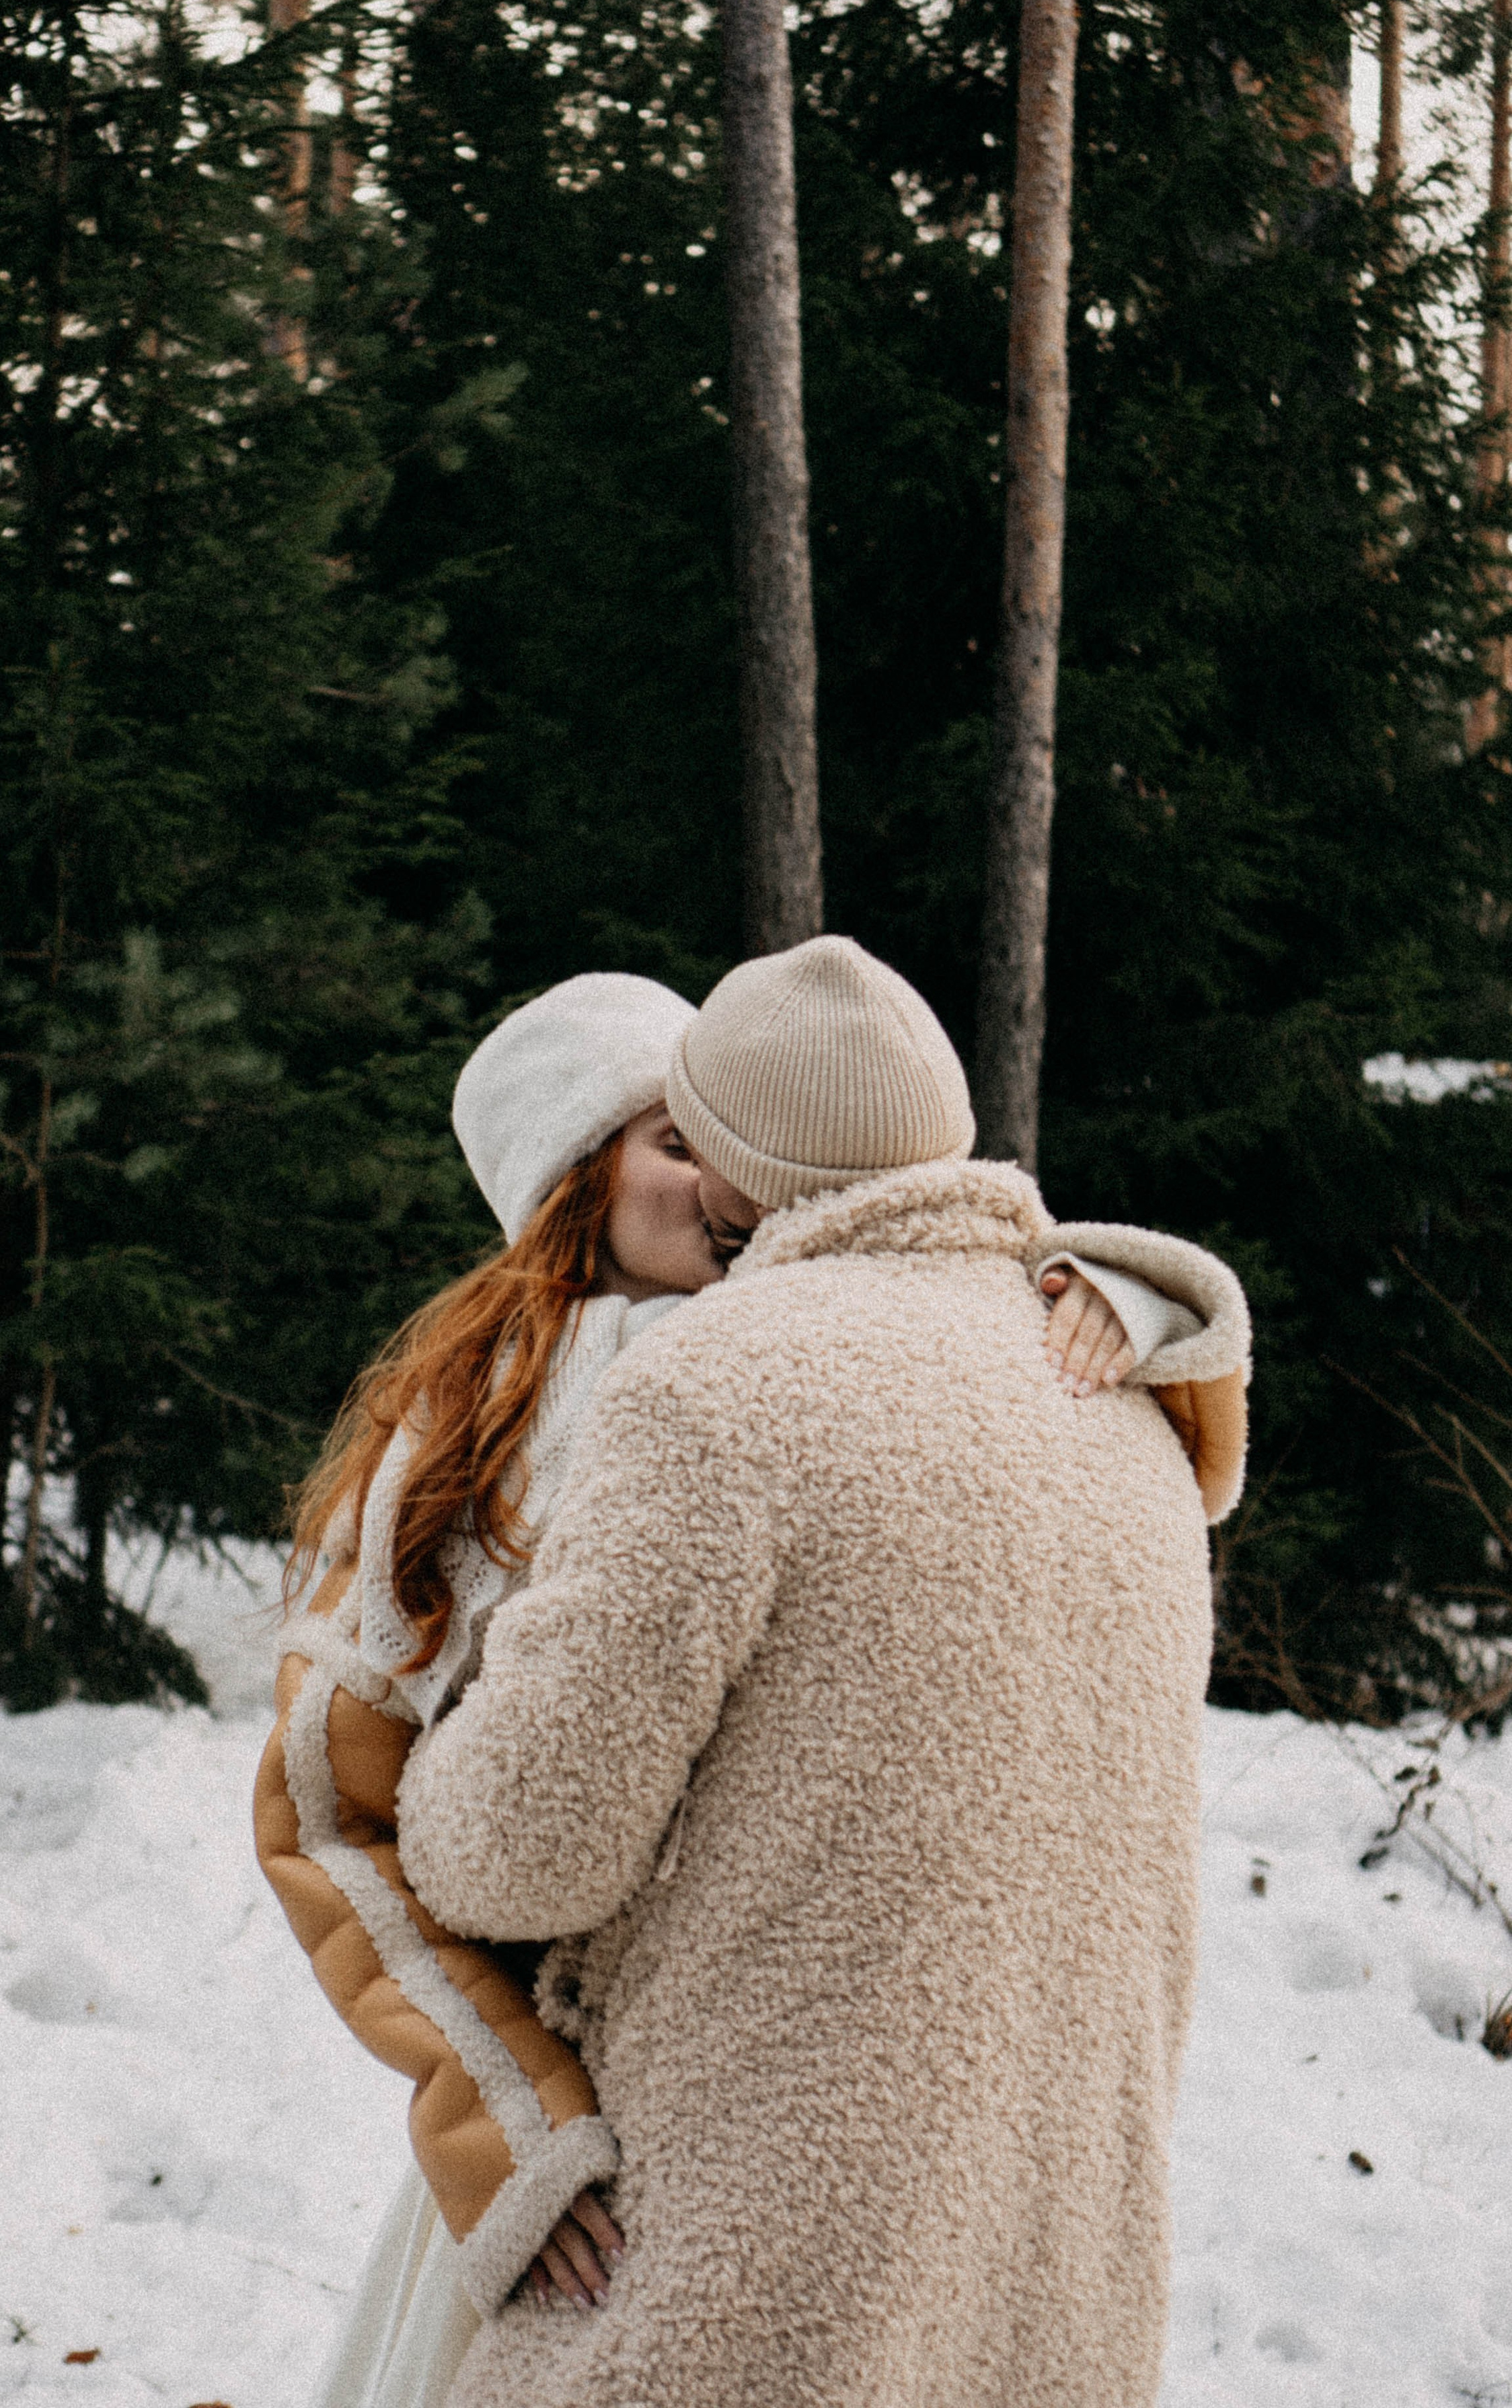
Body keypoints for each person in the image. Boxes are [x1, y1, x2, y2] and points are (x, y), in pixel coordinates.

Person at [254, 962, 1248, 2408]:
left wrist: (1144, 1297)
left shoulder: (816, 1366)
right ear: (569, 1189)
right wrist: (506, 2120)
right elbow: (343, 1815)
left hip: (770, 2153)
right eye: (676, 1139)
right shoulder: (479, 1429)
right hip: (594, 2133)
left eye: (722, 1128)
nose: (722, 1181)